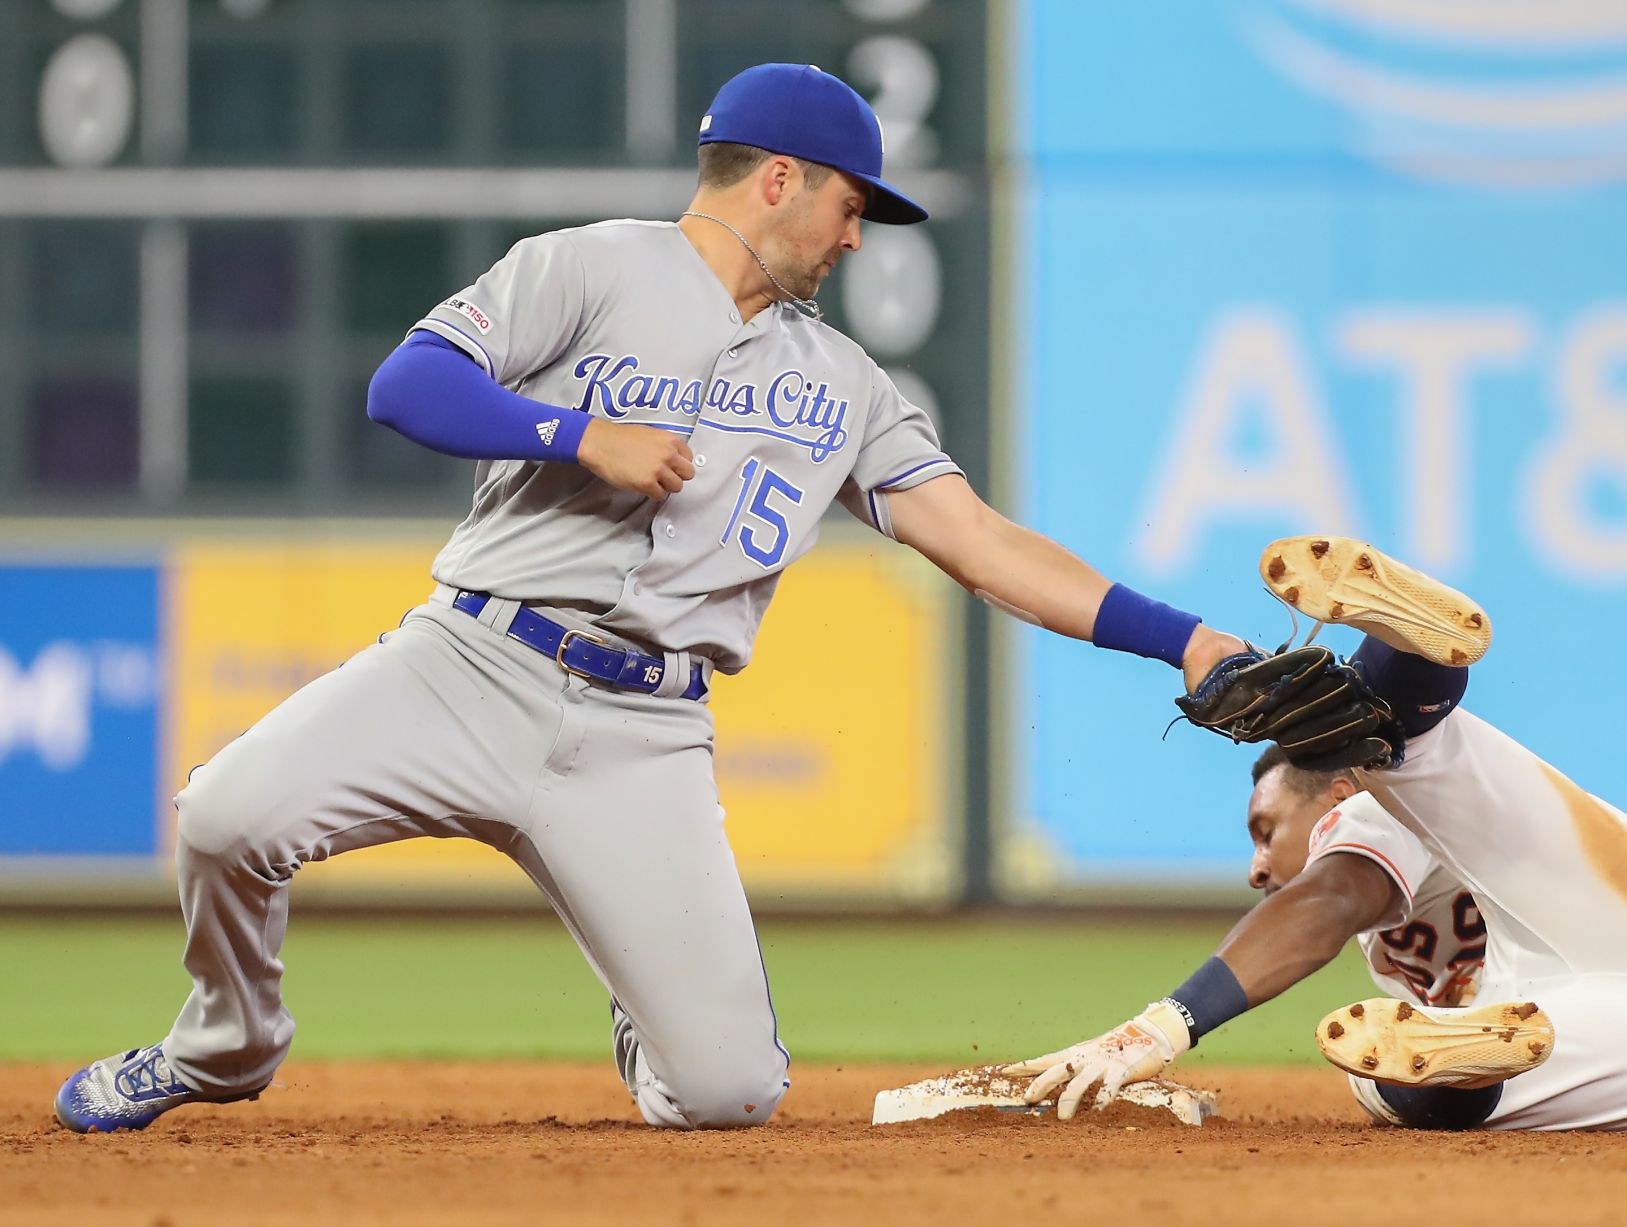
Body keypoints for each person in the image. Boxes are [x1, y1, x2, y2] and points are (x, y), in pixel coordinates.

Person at [53, 63, 1248, 1134]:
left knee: (727, 1094)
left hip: (644, 732)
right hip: (466, 667)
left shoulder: (842, 382)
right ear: (779, 179)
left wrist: (1186, 641)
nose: (858, 240)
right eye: (850, 206)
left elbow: (982, 544)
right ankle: (225, 1045)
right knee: (222, 820)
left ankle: (653, 1022)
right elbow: (406, 383)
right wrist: (576, 432)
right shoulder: (588, 264)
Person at [1009, 536, 1627, 1131]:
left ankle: (1391, 692)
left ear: (1330, 792)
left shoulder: (1357, 810)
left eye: (1266, 829)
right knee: (1402, 1058)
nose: (1257, 865)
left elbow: (1330, 900)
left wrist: (1165, 1024)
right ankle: (1393, 684)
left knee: (1383, 1071)